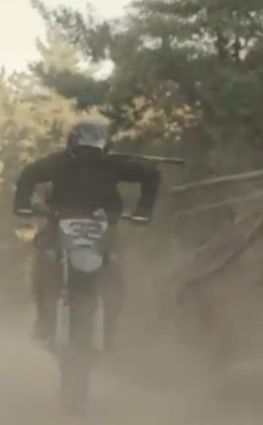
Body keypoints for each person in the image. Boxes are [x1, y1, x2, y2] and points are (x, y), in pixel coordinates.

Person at [11, 118, 160, 349]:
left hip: (102, 225)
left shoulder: (112, 164)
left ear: (103, 150)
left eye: (92, 152)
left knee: (116, 272)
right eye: (82, 152)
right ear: (71, 148)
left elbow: (150, 173)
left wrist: (143, 209)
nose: (86, 158)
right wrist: (22, 203)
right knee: (42, 262)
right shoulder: (59, 162)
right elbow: (29, 174)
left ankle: (111, 326)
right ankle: (44, 319)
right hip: (61, 221)